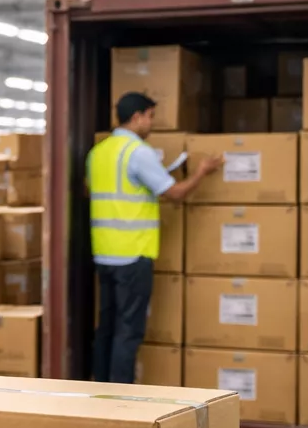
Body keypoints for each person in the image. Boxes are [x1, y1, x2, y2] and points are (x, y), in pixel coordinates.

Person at [88, 91, 223, 383]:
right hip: (132, 255)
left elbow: (99, 192)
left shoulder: (98, 152)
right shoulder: (137, 152)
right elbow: (173, 194)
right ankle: (120, 401)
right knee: (128, 330)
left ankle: (98, 391)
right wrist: (201, 172)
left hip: (104, 254)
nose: (152, 124)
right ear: (136, 117)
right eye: (150, 117)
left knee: (107, 326)